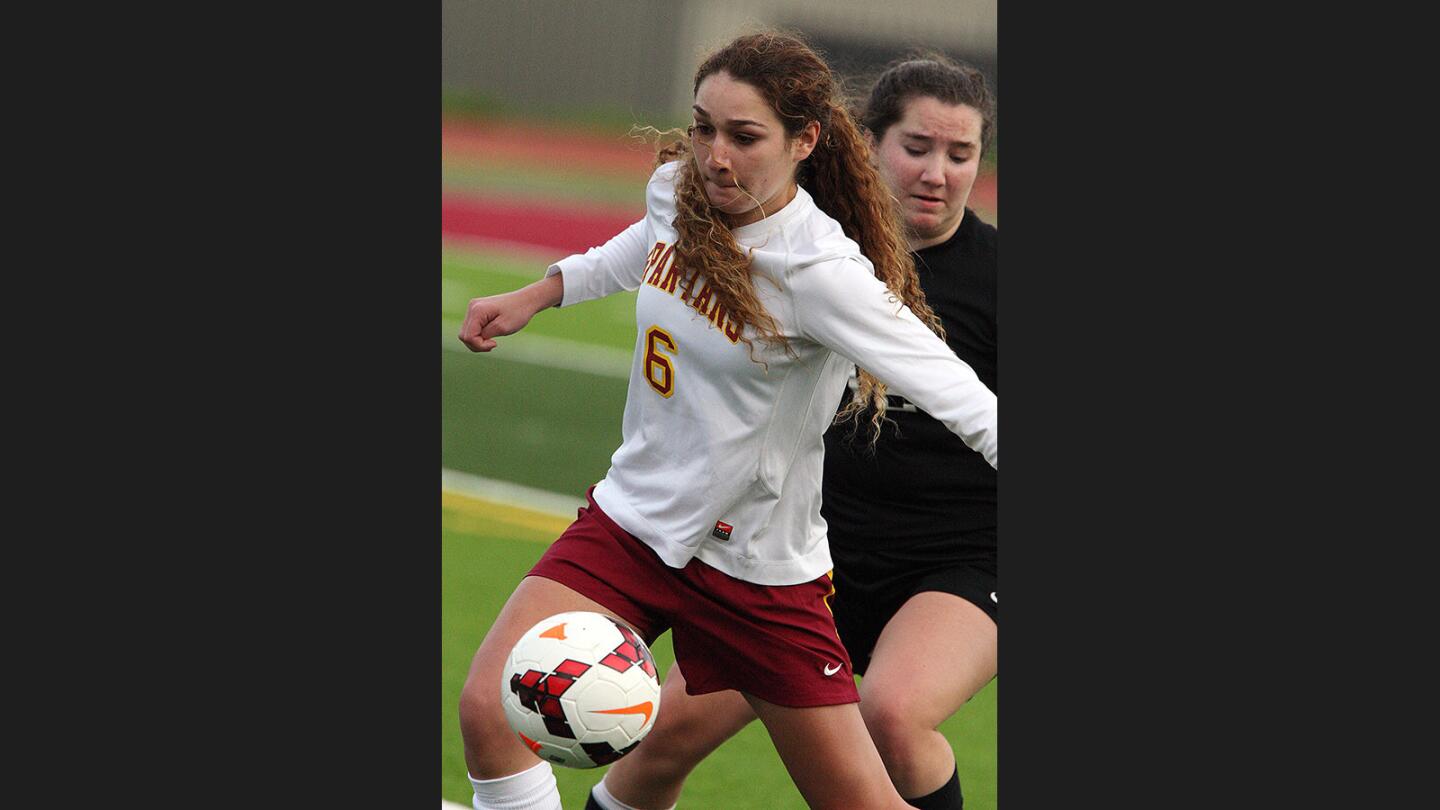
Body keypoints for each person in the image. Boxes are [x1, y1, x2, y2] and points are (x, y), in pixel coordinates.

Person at [457, 32, 997, 810]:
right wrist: (545, 290)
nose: (714, 155)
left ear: (805, 141)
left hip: (759, 576)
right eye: (703, 127)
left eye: (744, 137)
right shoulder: (681, 187)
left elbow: (958, 392)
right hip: (633, 524)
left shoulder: (822, 274)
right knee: (491, 706)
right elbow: (644, 243)